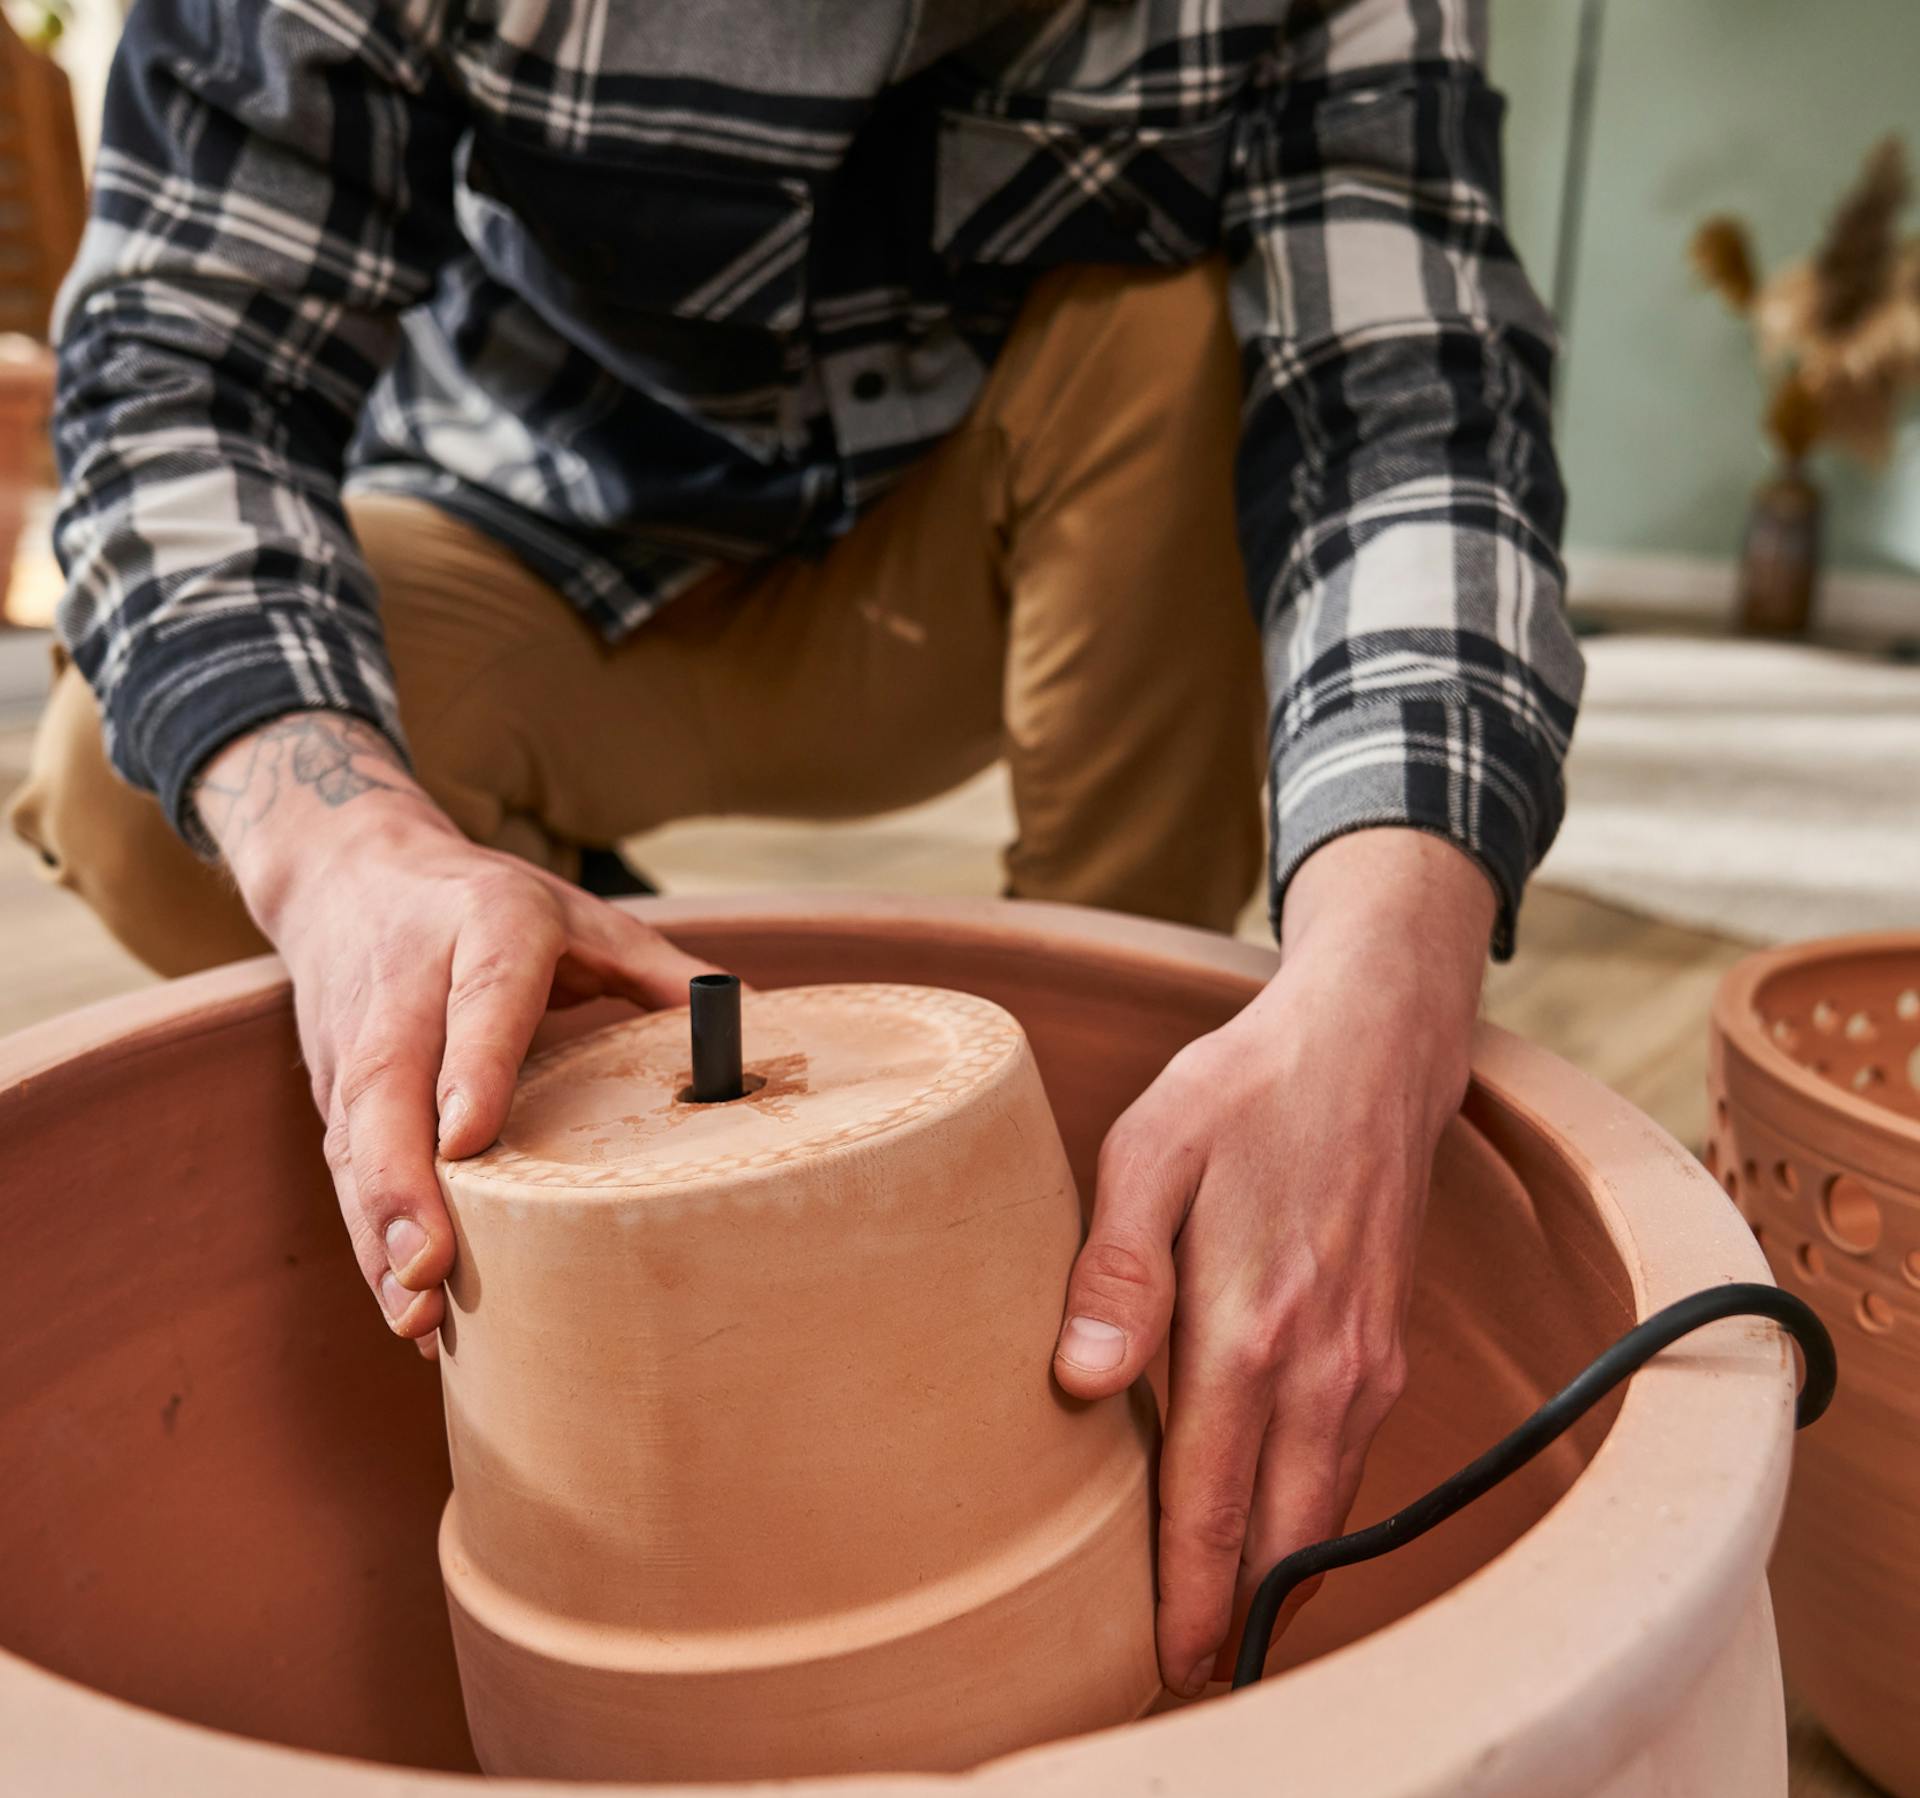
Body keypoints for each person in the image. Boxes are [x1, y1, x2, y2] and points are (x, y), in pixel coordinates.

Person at [9, 0, 1584, 1698]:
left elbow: (1412, 419)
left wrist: (1376, 989)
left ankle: (1109, 1152)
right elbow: (180, 376)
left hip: (979, 548)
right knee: (132, 781)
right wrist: (356, 858)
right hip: (529, 525)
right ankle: (557, 974)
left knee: (1181, 331)